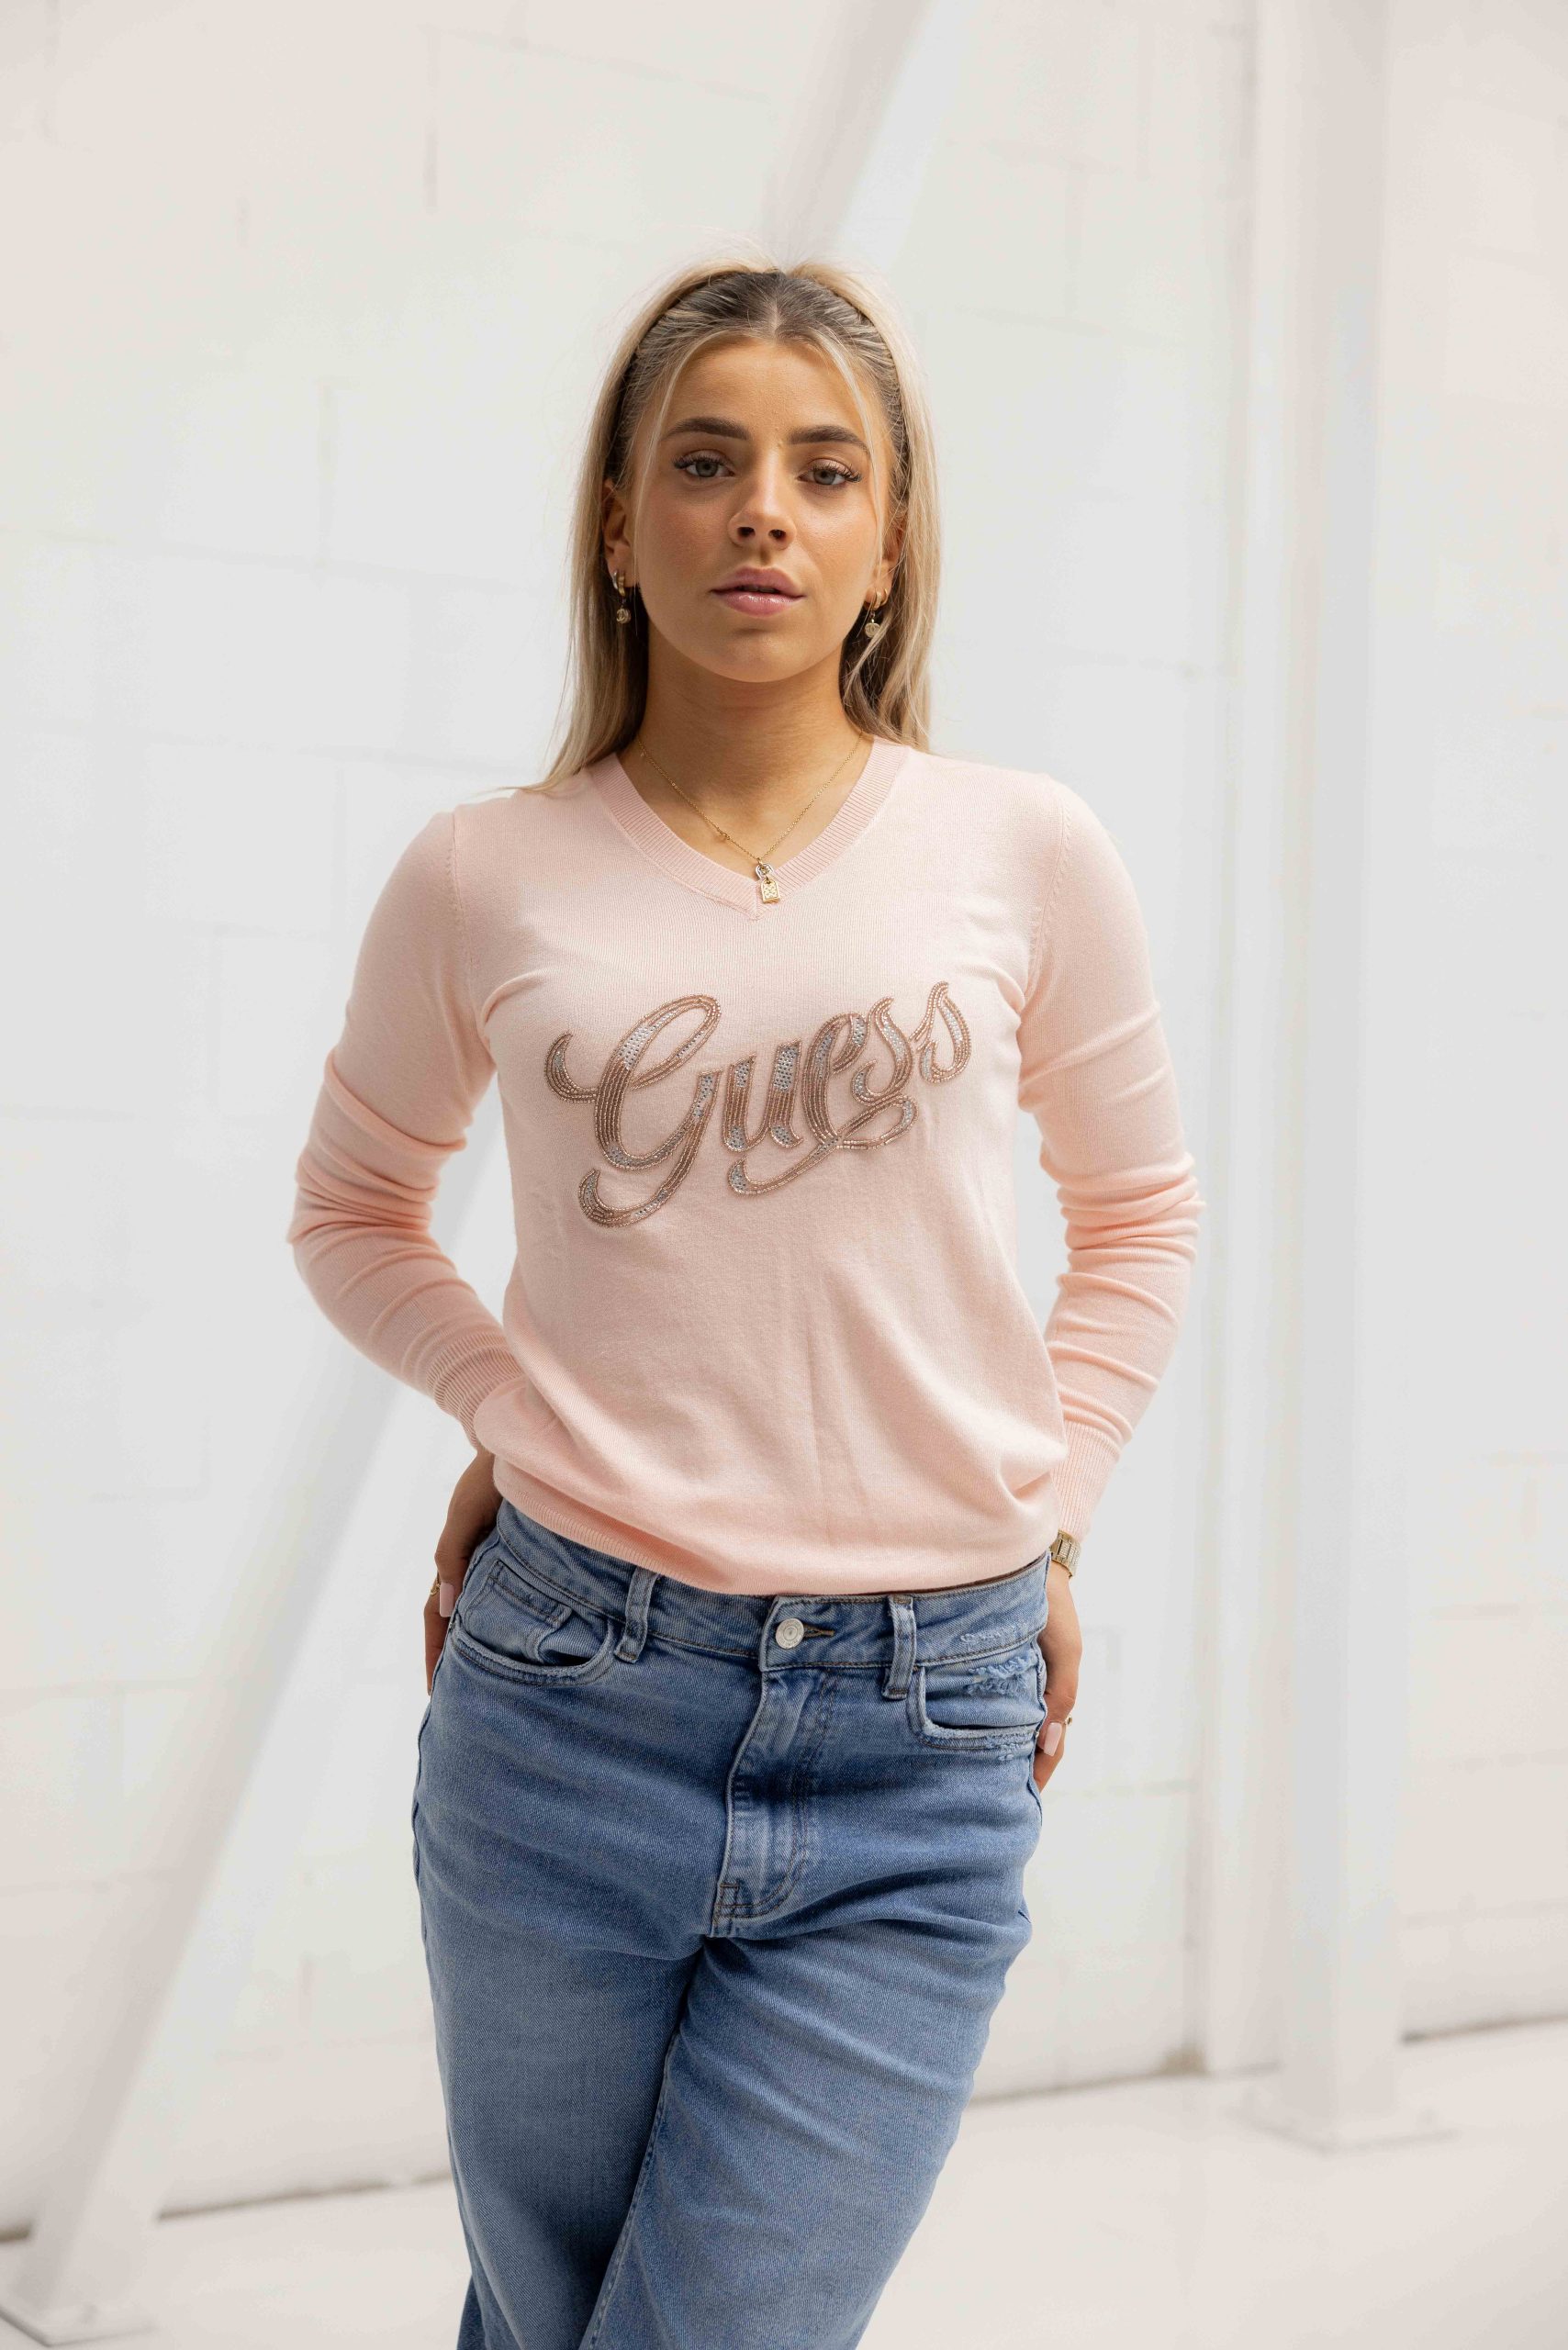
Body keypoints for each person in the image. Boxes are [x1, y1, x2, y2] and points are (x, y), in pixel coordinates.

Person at [286, 251, 1204, 2350]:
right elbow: (353, 1208)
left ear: (889, 540)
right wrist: (506, 1401)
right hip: (567, 1697)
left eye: (821, 469)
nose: (761, 512)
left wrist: (1052, 1510)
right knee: (544, 2321)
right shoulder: (481, 871)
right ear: (620, 528)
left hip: (928, 1724)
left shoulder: (1023, 847)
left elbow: (1139, 1215)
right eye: (703, 464)